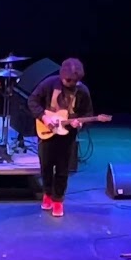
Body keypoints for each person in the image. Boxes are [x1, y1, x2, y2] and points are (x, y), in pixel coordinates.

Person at [27, 58, 94, 217]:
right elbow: (32, 101)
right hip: (47, 132)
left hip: (67, 136)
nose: (69, 83)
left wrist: (80, 124)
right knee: (46, 166)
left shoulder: (82, 91)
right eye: (67, 80)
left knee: (63, 169)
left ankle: (58, 200)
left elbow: (88, 114)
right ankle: (47, 194)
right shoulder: (49, 83)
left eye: (73, 81)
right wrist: (44, 117)